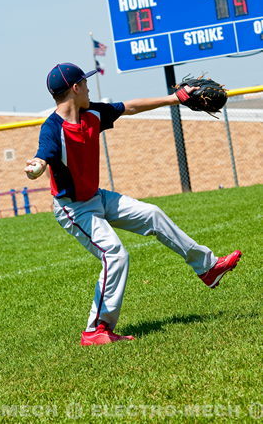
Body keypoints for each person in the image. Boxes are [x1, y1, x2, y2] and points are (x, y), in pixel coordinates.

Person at [24, 62, 242, 346]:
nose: (89, 86)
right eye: (85, 83)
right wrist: (37, 166)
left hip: (97, 197)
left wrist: (173, 98)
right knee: (115, 254)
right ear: (75, 88)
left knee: (152, 214)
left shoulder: (93, 112)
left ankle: (207, 268)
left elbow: (130, 106)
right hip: (73, 208)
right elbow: (43, 154)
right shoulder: (53, 129)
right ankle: (96, 329)